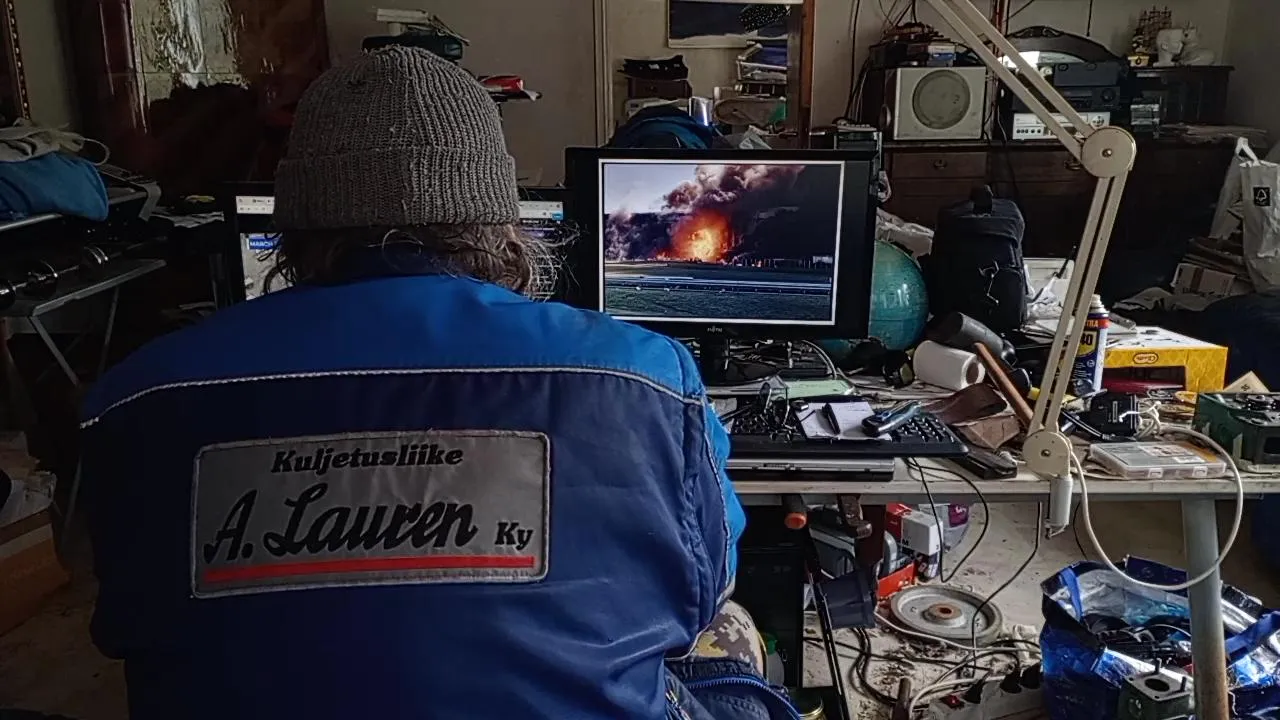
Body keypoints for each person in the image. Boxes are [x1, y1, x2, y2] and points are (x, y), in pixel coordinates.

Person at [80, 46, 799, 719]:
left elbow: (128, 620)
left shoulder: (136, 398)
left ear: (294, 222)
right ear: (499, 219)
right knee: (730, 631)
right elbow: (703, 591)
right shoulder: (646, 377)